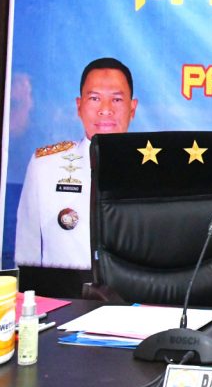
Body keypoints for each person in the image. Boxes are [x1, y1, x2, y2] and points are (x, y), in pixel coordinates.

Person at [15, 57, 138, 271]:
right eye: (95, 98)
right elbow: (27, 253)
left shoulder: (152, 169)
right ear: (79, 106)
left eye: (117, 99)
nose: (105, 109)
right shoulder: (45, 166)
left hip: (134, 290)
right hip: (64, 290)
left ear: (132, 108)